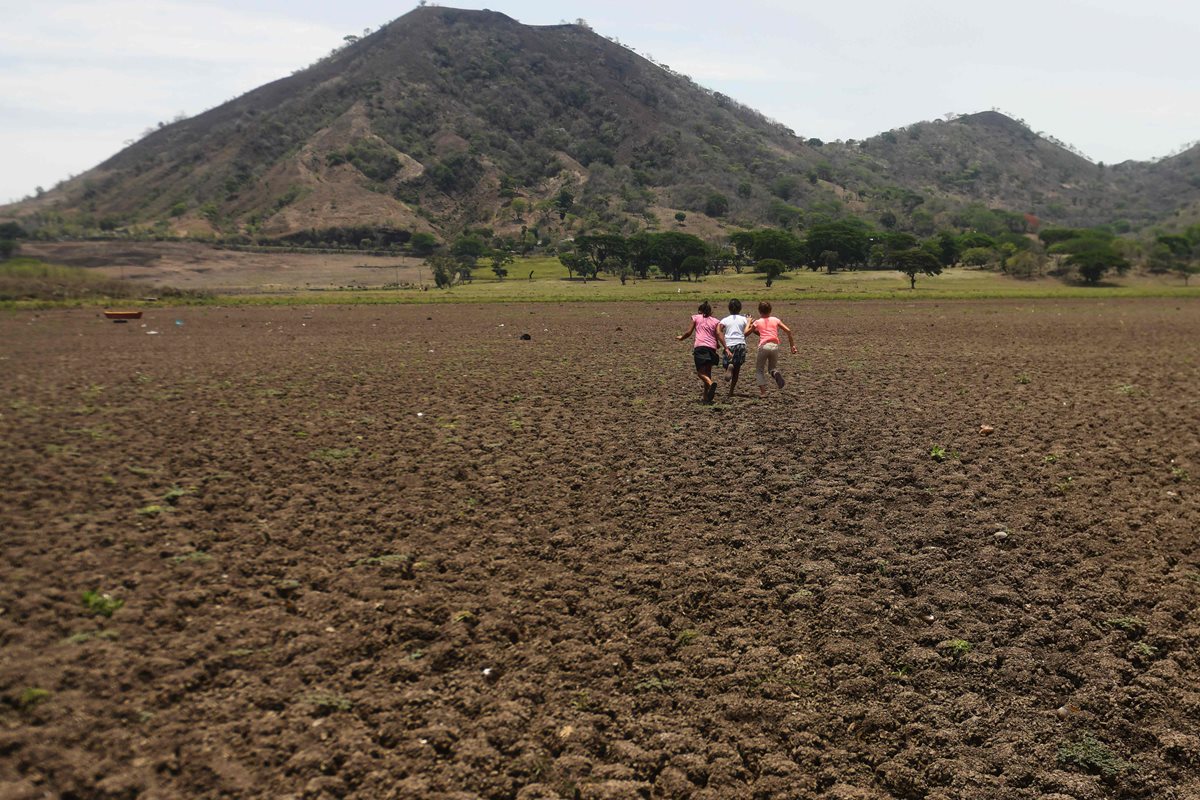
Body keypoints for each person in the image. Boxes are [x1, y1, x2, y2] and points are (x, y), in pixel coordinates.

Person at [748, 301, 797, 398]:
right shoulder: (775, 319)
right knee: (772, 369)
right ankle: (776, 373)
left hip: (763, 346)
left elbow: (746, 333)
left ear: (759, 311)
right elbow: (788, 331)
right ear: (770, 310)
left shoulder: (757, 322)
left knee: (759, 370)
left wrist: (749, 323)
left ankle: (763, 393)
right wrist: (792, 345)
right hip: (775, 346)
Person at [676, 300, 720, 403]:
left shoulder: (696, 317)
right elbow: (716, 334)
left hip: (700, 347)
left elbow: (688, 332)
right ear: (710, 312)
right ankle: (705, 396)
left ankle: (710, 384)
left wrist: (681, 338)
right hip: (712, 347)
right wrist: (717, 344)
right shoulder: (715, 321)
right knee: (708, 372)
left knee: (700, 373)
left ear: (699, 311)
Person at [718, 299, 750, 398]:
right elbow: (749, 330)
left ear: (729, 308)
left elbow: (719, 330)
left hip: (729, 344)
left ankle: (728, 367)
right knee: (737, 369)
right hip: (740, 344)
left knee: (726, 364)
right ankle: (731, 391)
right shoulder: (744, 319)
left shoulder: (725, 319)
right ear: (740, 308)